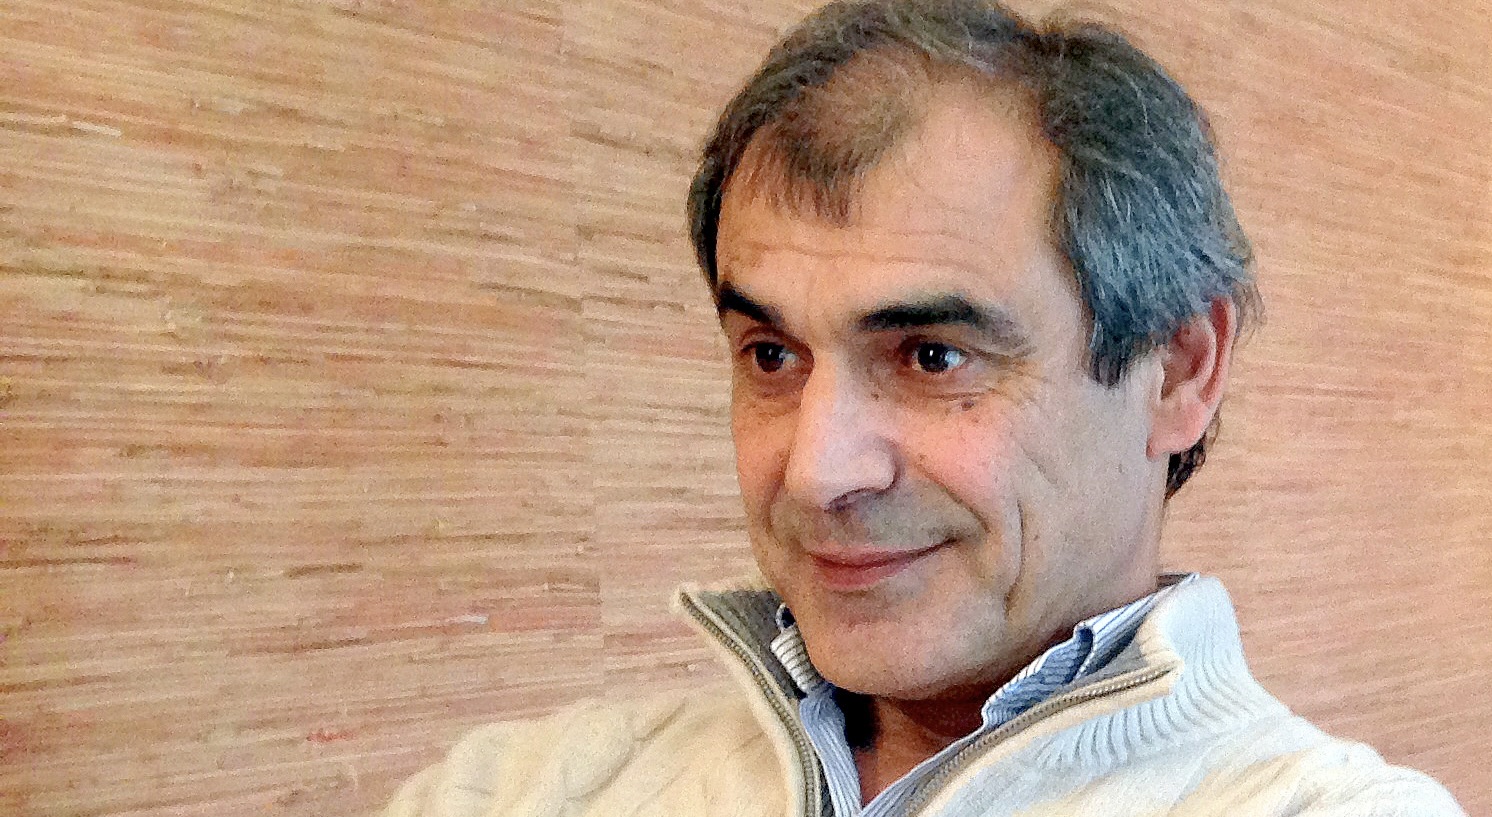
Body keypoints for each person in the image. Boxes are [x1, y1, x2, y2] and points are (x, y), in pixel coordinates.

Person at [381, 1, 1466, 815]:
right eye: (771, 354)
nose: (816, 470)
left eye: (931, 356)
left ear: (1179, 371)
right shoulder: (522, 788)